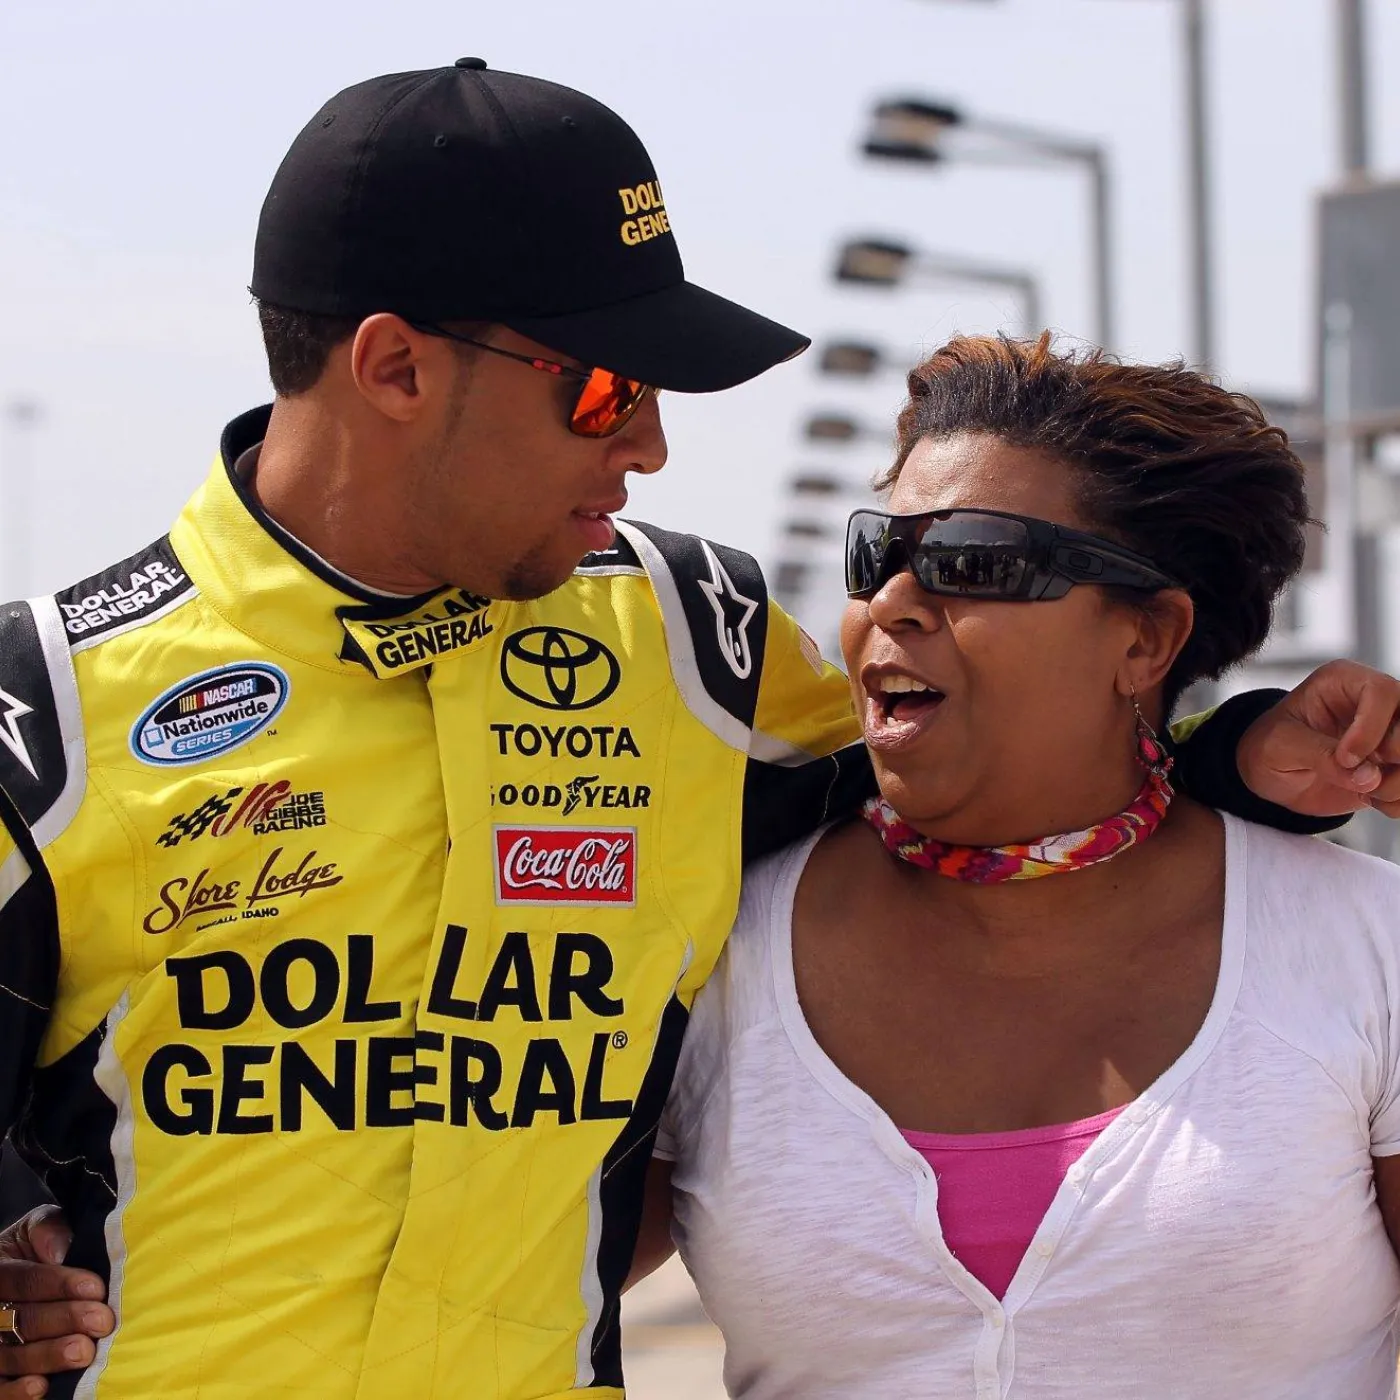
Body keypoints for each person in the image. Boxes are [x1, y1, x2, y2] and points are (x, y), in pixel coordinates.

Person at [0, 63, 1392, 1400]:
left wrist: (1232, 755)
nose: (652, 446)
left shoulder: (692, 644)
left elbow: (995, 779)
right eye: (605, 390)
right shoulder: (43, 708)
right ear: (396, 368)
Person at [639, 335, 1400, 1399]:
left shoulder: (1364, 947)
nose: (892, 601)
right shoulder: (713, 938)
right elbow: (511, 1279)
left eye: (974, 562)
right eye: (877, 554)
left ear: (1145, 641)